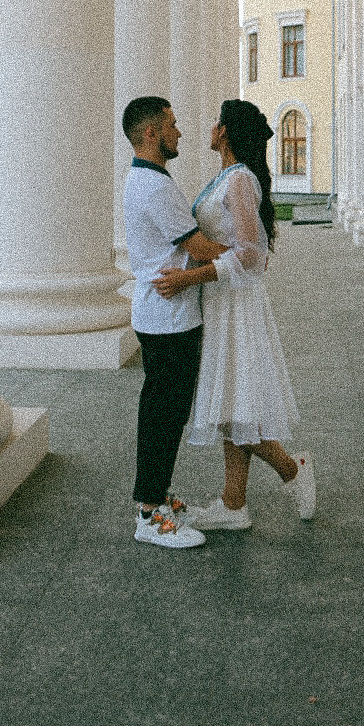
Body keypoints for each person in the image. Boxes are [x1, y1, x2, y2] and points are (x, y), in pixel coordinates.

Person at [156, 97, 315, 530]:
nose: (207, 127)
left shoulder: (240, 179)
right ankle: (233, 504)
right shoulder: (227, 176)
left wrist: (189, 279)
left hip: (236, 305)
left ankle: (291, 469)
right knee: (231, 400)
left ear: (224, 131)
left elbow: (250, 254)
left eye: (214, 121)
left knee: (234, 406)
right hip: (222, 299)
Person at [121, 95, 229, 550]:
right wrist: (245, 255)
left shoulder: (148, 179)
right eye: (172, 124)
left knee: (164, 410)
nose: (179, 131)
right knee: (164, 414)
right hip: (167, 317)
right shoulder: (155, 187)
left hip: (164, 312)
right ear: (151, 133)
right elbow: (200, 248)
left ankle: (156, 496)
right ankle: (149, 512)